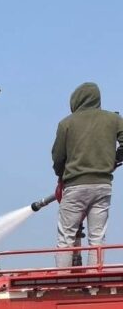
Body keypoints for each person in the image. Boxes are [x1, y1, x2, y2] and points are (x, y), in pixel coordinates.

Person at [52, 82, 123, 266]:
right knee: (97, 238)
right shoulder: (113, 119)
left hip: (75, 187)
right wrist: (114, 160)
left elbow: (58, 157)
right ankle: (94, 279)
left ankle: (62, 278)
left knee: (66, 237)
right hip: (103, 186)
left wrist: (61, 175)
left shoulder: (66, 123)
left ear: (76, 100)